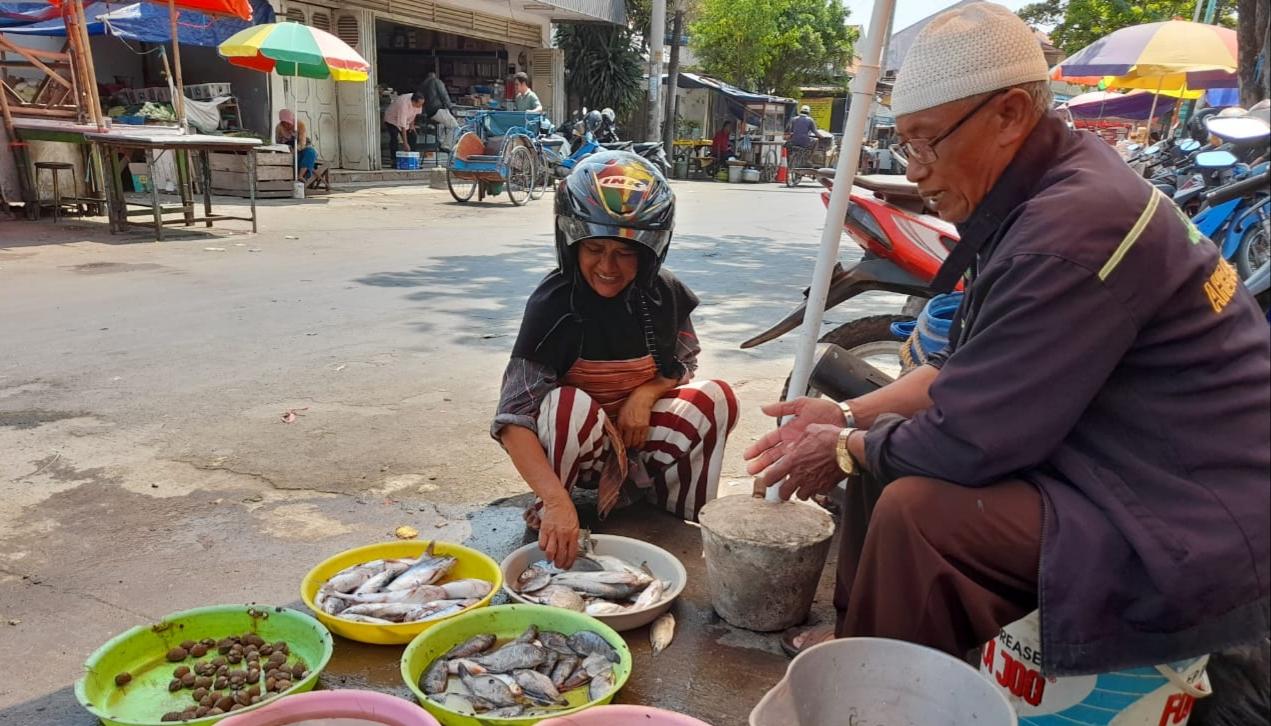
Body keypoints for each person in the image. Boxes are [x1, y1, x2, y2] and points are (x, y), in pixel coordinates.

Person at [745, 1, 1270, 676]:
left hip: (1185, 508)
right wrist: (846, 418)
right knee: (883, 456)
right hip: (1124, 458)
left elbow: (967, 441)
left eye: (926, 141)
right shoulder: (1050, 190)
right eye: (905, 143)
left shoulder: (1067, 231)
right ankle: (866, 644)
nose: (914, 170)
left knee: (917, 511)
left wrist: (845, 449)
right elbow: (965, 372)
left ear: (1010, 115)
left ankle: (883, 694)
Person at [492, 151, 738, 569]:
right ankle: (558, 514)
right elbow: (512, 420)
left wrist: (647, 393)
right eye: (594, 248)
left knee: (715, 397)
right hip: (576, 455)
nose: (608, 266)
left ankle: (672, 517)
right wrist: (555, 500)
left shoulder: (663, 293)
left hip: (638, 450)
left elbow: (685, 362)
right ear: (572, 244)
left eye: (625, 252)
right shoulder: (554, 304)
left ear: (648, 253)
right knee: (568, 406)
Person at [275, 109, 317, 181]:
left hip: (301, 149)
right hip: (288, 150)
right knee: (287, 160)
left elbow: (302, 143)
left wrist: (295, 150)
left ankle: (301, 176)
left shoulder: (300, 125)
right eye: (285, 123)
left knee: (311, 152)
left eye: (288, 123)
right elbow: (278, 143)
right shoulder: (279, 128)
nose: (287, 125)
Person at [384, 90, 424, 162]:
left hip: (407, 121)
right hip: (392, 119)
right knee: (394, 138)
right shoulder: (403, 104)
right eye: (419, 104)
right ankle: (394, 160)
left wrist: (412, 125)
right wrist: (405, 143)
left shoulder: (418, 101)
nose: (420, 106)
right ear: (413, 102)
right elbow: (403, 126)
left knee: (413, 136)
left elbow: (414, 113)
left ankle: (412, 159)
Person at [421, 71, 457, 151]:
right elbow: (444, 95)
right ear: (435, 75)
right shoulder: (436, 81)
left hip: (429, 112)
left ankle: (441, 141)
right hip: (438, 109)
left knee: (444, 125)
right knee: (455, 126)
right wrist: (450, 107)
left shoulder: (422, 85)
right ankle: (446, 145)